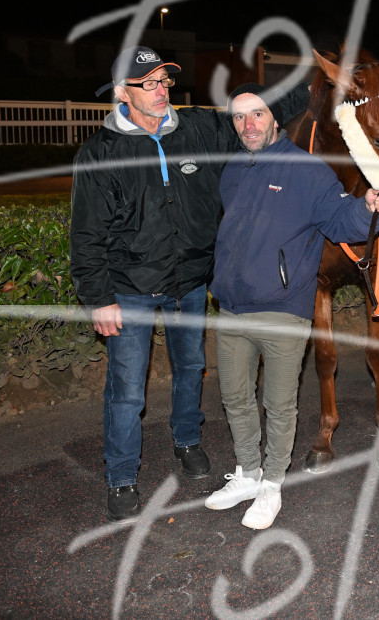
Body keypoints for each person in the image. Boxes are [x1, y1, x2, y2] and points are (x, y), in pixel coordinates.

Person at [203, 85, 379, 529]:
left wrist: (370, 208)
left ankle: (272, 484)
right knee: (235, 398)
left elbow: (341, 221)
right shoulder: (232, 169)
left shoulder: (307, 170)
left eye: (257, 114)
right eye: (239, 117)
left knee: (279, 404)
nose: (248, 125)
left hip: (282, 310)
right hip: (232, 307)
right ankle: (248, 473)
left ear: (274, 117)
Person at [71, 45, 240, 522]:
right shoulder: (101, 152)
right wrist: (98, 298)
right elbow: (86, 235)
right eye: (148, 83)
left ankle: (187, 440)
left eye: (164, 80)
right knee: (128, 390)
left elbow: (254, 118)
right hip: (129, 289)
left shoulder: (197, 129)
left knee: (191, 367)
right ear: (122, 92)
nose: (161, 90)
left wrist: (324, 92)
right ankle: (122, 475)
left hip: (189, 282)